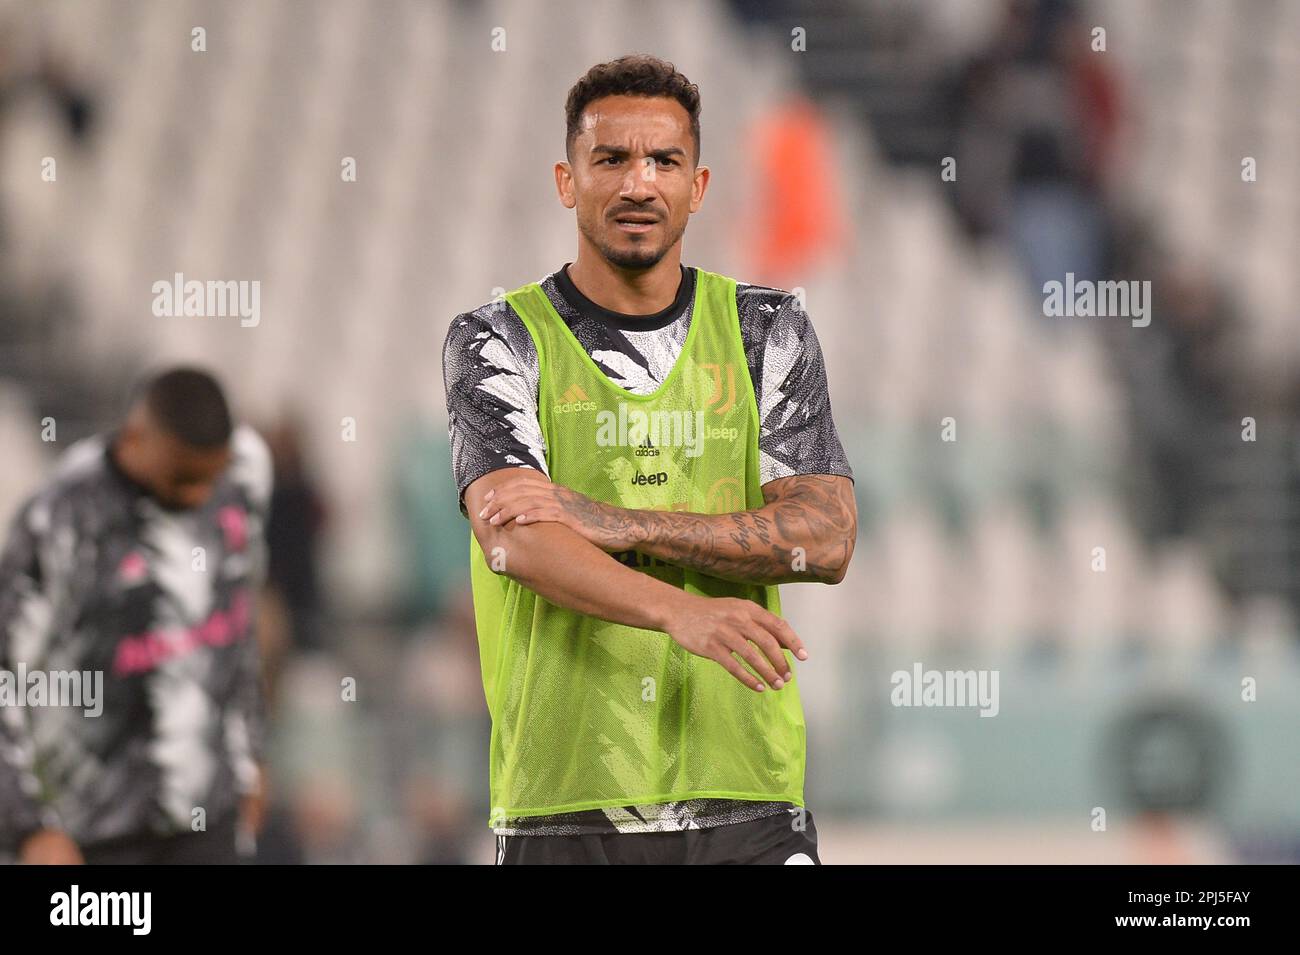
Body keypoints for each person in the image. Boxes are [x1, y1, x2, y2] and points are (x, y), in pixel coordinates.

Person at [442, 55, 857, 864]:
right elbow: (517, 540)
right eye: (612, 160)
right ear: (568, 181)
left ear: (698, 186)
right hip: (567, 798)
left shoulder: (768, 329)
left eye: (664, 160)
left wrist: (607, 519)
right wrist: (683, 610)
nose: (640, 183)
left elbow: (828, 538)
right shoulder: (498, 339)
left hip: (749, 787)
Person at [0, 367, 271, 864]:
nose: (198, 495)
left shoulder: (245, 474)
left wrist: (249, 758)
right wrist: (26, 826)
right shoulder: (60, 519)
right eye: (184, 478)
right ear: (135, 437)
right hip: (94, 831)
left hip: (208, 818)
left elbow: (236, 623)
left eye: (210, 478)